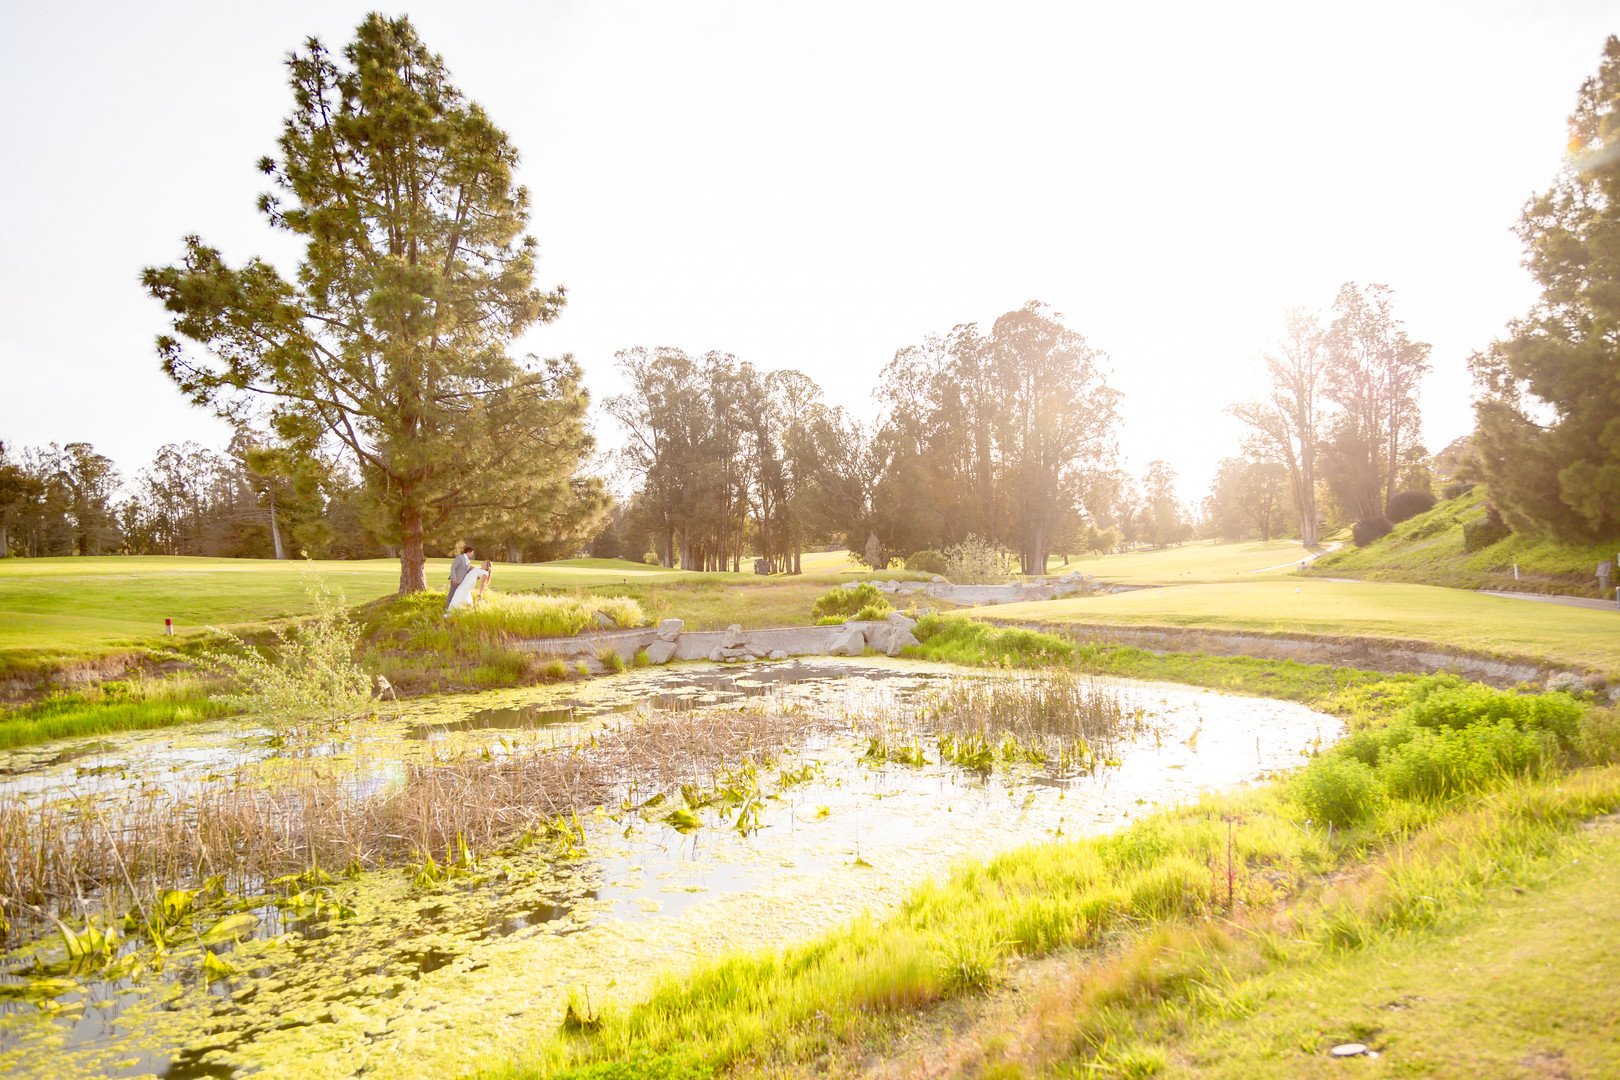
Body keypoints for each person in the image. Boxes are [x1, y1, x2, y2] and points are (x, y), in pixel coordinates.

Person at [444, 544, 473, 612]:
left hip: (462, 581)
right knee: (452, 593)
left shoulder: (468, 561)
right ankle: (447, 608)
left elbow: (466, 571)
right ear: (468, 552)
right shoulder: (459, 557)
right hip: (455, 580)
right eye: (472, 553)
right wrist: (453, 578)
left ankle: (455, 608)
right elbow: (453, 567)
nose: (472, 554)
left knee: (458, 594)